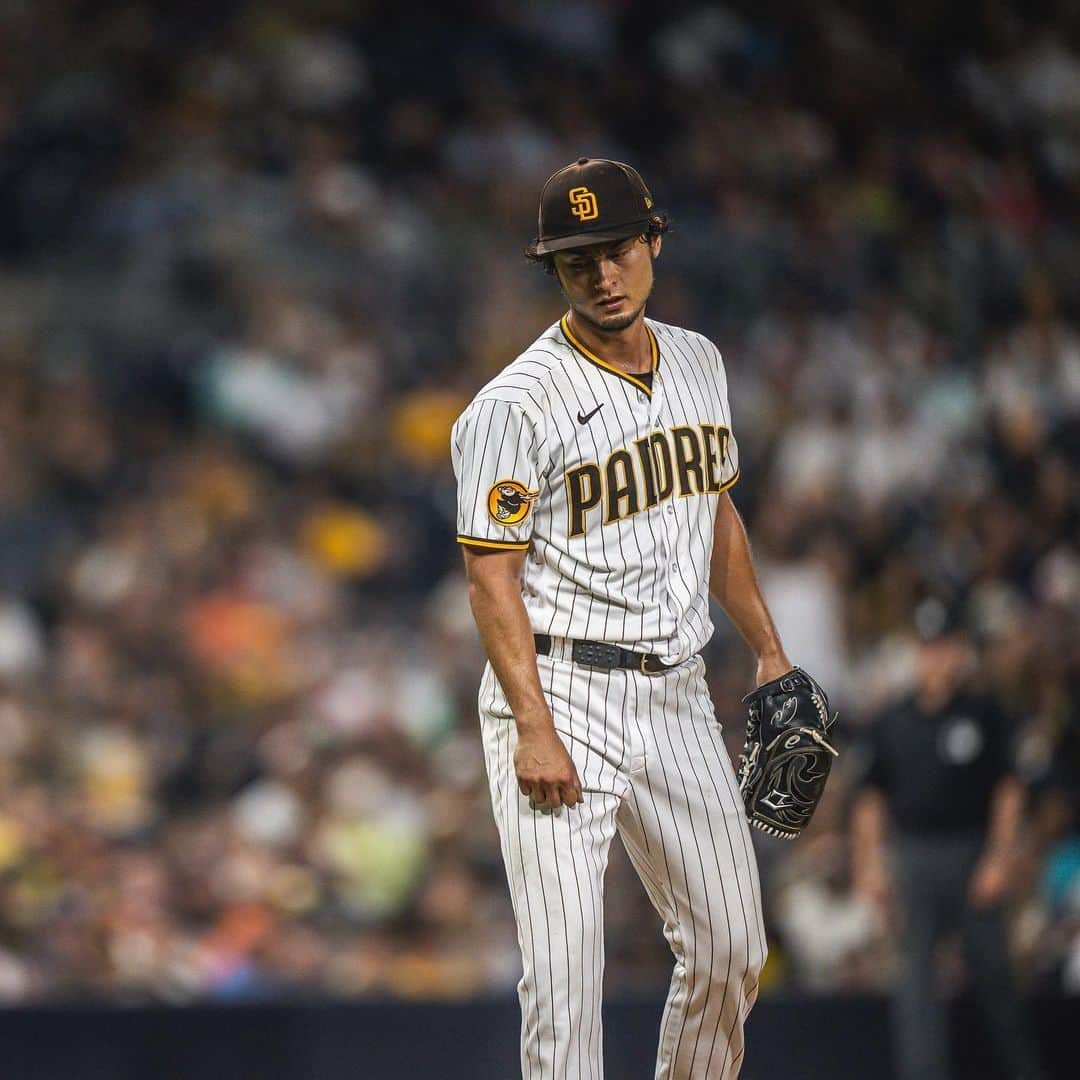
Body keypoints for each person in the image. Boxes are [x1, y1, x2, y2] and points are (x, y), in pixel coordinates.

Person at [450, 157, 823, 1079]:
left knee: (735, 946)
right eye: (578, 263)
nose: (603, 277)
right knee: (566, 983)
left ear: (654, 241)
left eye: (616, 251)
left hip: (678, 691)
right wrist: (532, 725)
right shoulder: (511, 405)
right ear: (556, 273)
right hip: (558, 687)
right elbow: (490, 576)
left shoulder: (699, 361)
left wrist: (770, 652)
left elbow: (715, 513)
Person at [851, 597, 1046, 1080]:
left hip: (972, 851)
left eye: (943, 647)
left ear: (959, 651)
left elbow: (1008, 789)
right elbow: (871, 798)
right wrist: (870, 865)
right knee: (916, 984)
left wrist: (1000, 858)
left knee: (995, 975)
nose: (935, 658)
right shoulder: (894, 719)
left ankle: (1022, 1070)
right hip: (915, 856)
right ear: (916, 652)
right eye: (927, 647)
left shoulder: (982, 712)